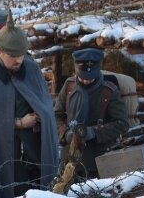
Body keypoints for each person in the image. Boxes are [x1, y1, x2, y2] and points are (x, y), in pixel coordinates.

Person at [0, 10, 59, 198]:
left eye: (21, 55)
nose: (18, 61)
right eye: (12, 56)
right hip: (0, 155)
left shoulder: (31, 70)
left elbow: (46, 106)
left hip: (32, 157)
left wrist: (41, 117)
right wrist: (18, 123)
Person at [54, 48, 129, 179]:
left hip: (98, 162)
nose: (85, 81)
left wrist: (94, 132)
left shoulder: (109, 91)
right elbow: (56, 115)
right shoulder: (69, 86)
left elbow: (122, 124)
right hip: (69, 161)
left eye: (90, 77)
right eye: (82, 77)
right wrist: (65, 133)